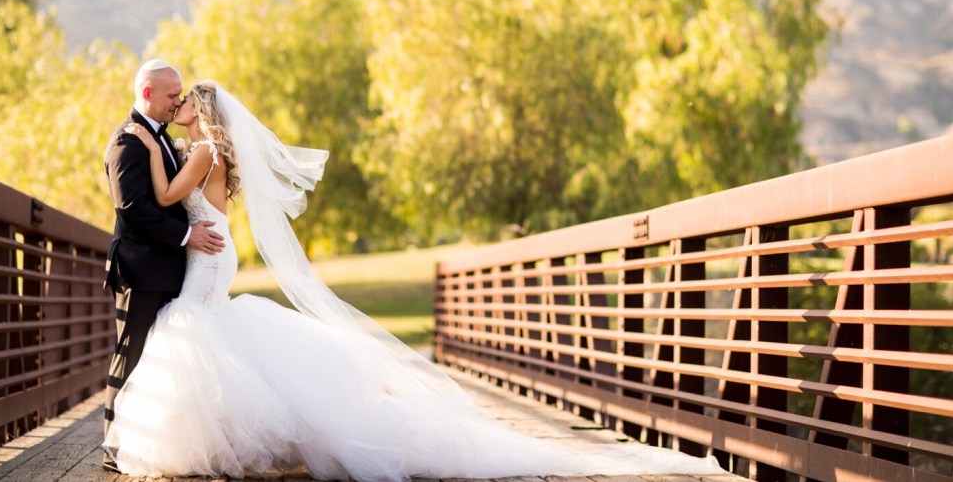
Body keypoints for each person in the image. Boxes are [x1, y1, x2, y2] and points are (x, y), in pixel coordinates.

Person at [102, 80, 720, 480]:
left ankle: (220, 437)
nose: (178, 108)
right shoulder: (213, 151)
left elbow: (159, 193)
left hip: (207, 258)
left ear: (198, 111)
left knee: (198, 330)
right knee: (216, 335)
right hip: (216, 252)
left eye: (184, 103)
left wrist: (147, 141)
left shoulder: (200, 151)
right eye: (173, 102)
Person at [101, 61, 226, 472]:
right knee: (132, 353)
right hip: (141, 269)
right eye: (173, 95)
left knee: (164, 357)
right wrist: (187, 237)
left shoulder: (166, 141)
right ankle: (114, 448)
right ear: (148, 93)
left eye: (182, 95)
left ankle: (164, 442)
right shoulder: (127, 141)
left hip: (171, 267)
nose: (178, 101)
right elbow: (133, 208)